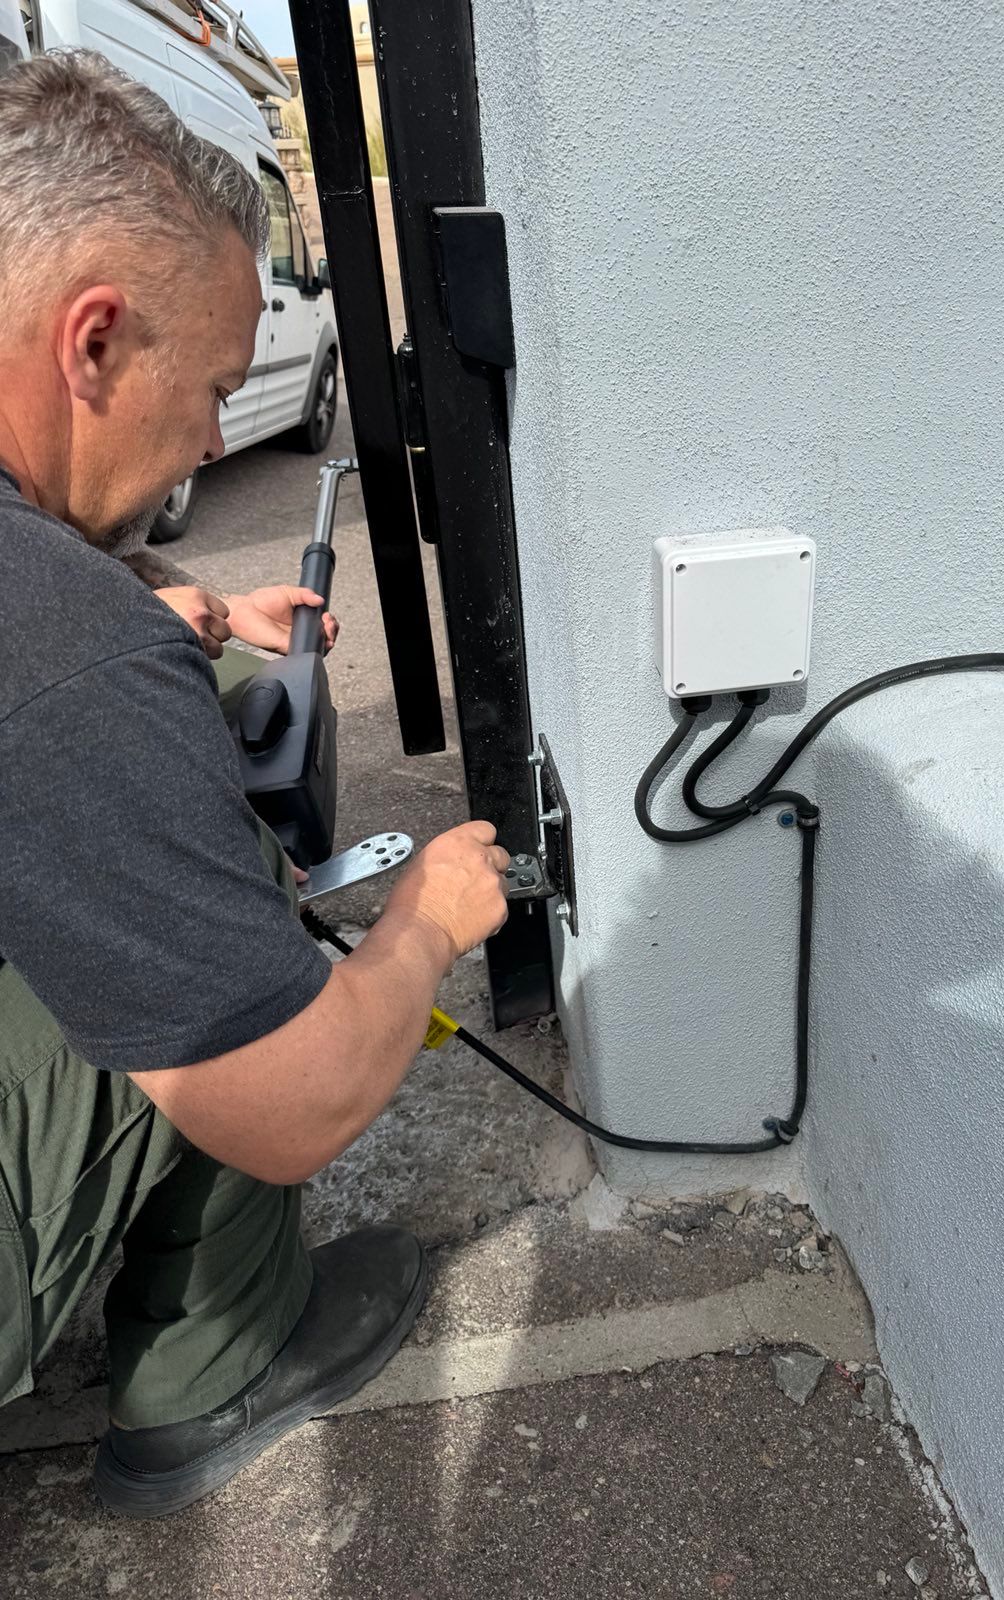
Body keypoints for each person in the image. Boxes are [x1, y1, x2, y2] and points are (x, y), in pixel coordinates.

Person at [0, 50, 510, 1516]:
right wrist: (421, 926)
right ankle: (214, 1374)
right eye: (214, 386)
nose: (219, 439)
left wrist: (180, 616)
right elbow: (288, 1106)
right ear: (92, 341)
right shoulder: (61, 652)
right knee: (243, 941)